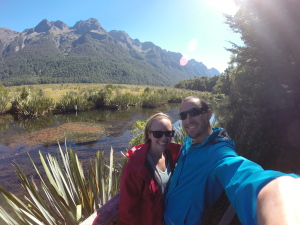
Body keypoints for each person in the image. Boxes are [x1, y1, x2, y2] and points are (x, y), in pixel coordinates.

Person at [164, 96, 299, 225]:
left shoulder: (217, 152)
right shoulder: (188, 143)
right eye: (183, 116)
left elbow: (239, 172)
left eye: (194, 112)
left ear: (208, 114)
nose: (188, 120)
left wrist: (274, 191)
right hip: (165, 216)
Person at [119, 112, 181, 225]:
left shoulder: (172, 155)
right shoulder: (135, 168)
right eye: (158, 134)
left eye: (168, 133)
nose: (164, 138)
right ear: (149, 134)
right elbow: (128, 211)